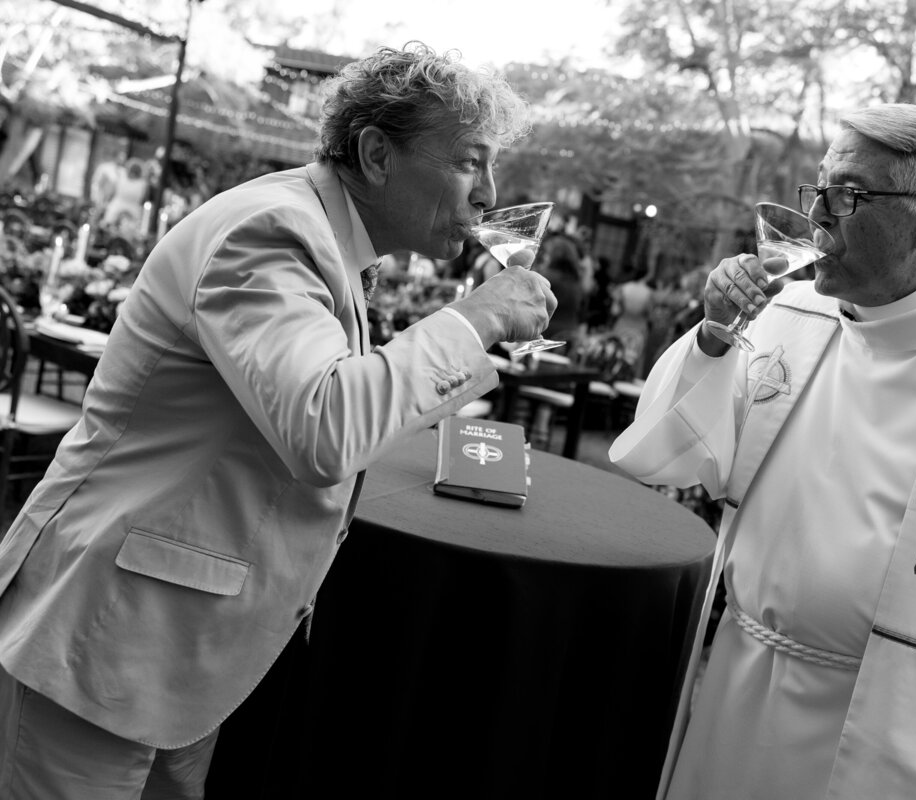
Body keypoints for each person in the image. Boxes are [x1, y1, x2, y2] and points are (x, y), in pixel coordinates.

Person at [0, 42, 555, 797]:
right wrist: (476, 320)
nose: (489, 192)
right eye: (468, 162)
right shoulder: (273, 230)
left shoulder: (325, 239)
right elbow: (325, 427)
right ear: (376, 153)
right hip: (105, 636)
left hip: (176, 646)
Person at [610, 104, 916, 799]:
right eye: (820, 188)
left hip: (882, 730)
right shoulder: (788, 317)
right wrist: (713, 340)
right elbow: (670, 457)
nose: (819, 217)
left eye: (851, 195)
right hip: (737, 687)